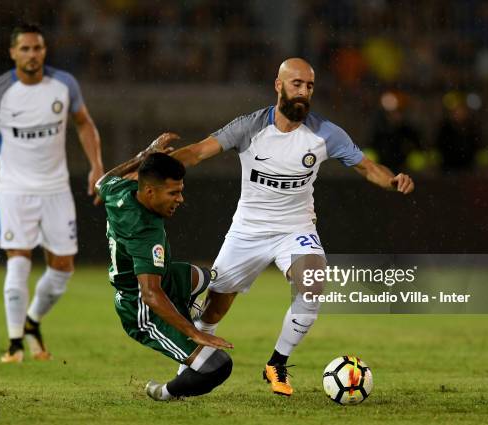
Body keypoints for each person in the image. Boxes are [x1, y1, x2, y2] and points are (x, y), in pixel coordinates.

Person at [170, 58, 415, 396]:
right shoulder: (249, 126)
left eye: (309, 86)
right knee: (214, 309)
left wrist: (392, 181)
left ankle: (277, 363)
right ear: (279, 85)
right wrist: (155, 165)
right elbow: (197, 153)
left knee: (313, 284)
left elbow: (367, 167)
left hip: (295, 229)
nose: (303, 92)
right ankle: (188, 374)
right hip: (248, 230)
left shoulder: (325, 133)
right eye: (296, 84)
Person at [0, 23, 104, 363]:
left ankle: (32, 322)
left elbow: (84, 123)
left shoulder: (63, 84)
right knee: (18, 260)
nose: (32, 55)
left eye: (38, 48)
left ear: (44, 51)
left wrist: (96, 165)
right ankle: (14, 343)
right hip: (14, 190)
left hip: (56, 189)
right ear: (13, 52)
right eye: (26, 49)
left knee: (63, 268)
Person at [95, 142, 233, 401]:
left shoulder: (121, 191)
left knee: (213, 277)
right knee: (217, 367)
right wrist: (194, 333)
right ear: (149, 191)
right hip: (142, 307)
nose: (180, 199)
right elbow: (150, 294)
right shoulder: (145, 233)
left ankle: (186, 307)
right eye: (173, 193)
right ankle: (164, 392)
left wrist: (141, 156)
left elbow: (102, 182)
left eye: (180, 191)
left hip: (165, 277)